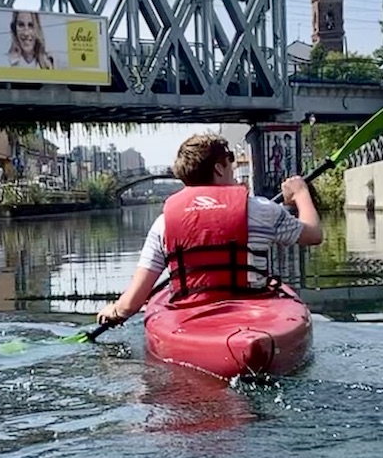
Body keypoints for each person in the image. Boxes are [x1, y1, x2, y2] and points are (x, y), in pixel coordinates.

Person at [95, 132, 320, 326]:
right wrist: (301, 194)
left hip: (192, 319)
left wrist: (114, 311)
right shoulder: (263, 210)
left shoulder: (164, 224)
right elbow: (313, 234)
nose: (232, 170)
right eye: (229, 163)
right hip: (255, 314)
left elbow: (132, 303)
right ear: (219, 168)